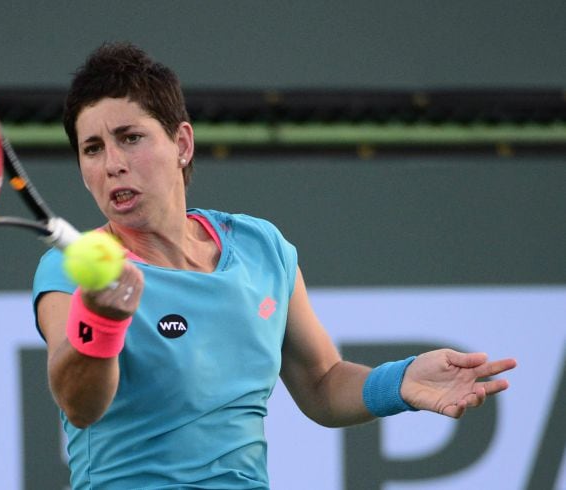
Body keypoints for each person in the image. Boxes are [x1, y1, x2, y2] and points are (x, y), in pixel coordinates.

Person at [32, 42, 517, 489]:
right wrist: (102, 319)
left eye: (130, 137)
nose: (112, 163)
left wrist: (401, 383)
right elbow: (79, 404)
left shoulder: (261, 247)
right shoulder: (70, 271)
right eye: (92, 148)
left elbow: (322, 382)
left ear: (182, 143)